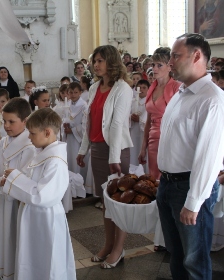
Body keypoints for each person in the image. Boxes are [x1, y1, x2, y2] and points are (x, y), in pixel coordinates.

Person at [157, 33, 224, 280]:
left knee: (194, 261)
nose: (170, 61)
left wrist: (193, 202)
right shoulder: (181, 92)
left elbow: (210, 156)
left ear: (196, 55)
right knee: (175, 253)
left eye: (175, 55)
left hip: (189, 188)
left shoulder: (212, 100)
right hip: (168, 185)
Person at [1, 108, 76, 280]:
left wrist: (15, 178)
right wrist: (13, 178)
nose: (29, 137)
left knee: (47, 262)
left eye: (32, 133)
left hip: (46, 220)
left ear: (47, 132)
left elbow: (43, 195)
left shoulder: (55, 162)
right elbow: (32, 181)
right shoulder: (42, 153)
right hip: (34, 216)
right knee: (32, 258)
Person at [76, 45, 133, 269]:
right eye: (94, 61)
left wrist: (114, 156)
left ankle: (119, 248)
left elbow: (118, 124)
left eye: (100, 61)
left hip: (116, 152)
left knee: (119, 202)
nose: (96, 65)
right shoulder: (93, 88)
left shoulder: (123, 89)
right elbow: (88, 122)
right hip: (98, 150)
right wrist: (83, 150)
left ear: (111, 61)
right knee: (106, 202)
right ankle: (108, 244)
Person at [0, 98, 35, 280]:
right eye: (4, 121)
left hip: (19, 203)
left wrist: (0, 179)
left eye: (11, 121)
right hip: (5, 200)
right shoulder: (4, 141)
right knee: (6, 235)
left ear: (25, 121)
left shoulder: (30, 145)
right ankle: (8, 273)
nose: (6, 125)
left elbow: (26, 177)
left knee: (18, 238)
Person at [138, 47, 181, 180]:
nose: (154, 68)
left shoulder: (177, 87)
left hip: (170, 140)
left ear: (169, 67)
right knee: (154, 178)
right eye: (153, 65)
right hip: (153, 139)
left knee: (167, 178)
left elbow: (180, 120)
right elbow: (149, 120)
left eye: (159, 65)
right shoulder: (152, 87)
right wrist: (143, 146)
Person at [129, 79, 149, 169]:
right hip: (133, 131)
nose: (141, 89)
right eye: (139, 87)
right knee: (133, 152)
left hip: (144, 133)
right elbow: (126, 115)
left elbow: (150, 118)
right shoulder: (132, 101)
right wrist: (130, 117)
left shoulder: (149, 102)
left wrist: (140, 120)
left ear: (149, 89)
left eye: (144, 87)